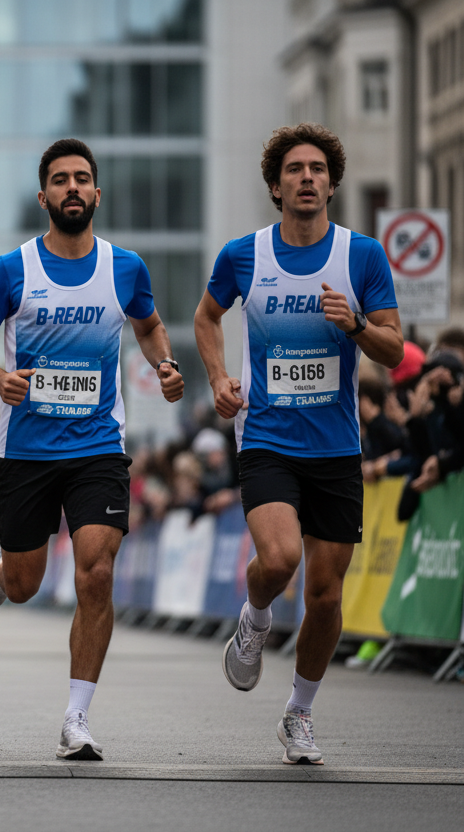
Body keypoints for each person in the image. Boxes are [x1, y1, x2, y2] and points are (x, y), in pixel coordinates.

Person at [0, 139, 184, 761]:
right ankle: (3, 569)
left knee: (97, 570)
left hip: (97, 447)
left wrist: (164, 364)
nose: (73, 189)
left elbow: (149, 324)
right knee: (28, 584)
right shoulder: (13, 269)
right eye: (60, 180)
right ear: (44, 197)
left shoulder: (125, 267)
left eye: (83, 179)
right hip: (28, 450)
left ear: (97, 193)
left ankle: (76, 717)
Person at [194, 123, 403, 765]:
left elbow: (395, 351)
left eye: (317, 169)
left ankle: (299, 714)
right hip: (267, 438)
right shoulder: (243, 255)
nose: (307, 178)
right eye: (294, 170)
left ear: (332, 183)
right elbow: (206, 317)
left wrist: (359, 324)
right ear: (276, 185)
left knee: (326, 595)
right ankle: (255, 617)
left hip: (337, 447)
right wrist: (220, 379)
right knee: (280, 561)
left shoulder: (361, 255)